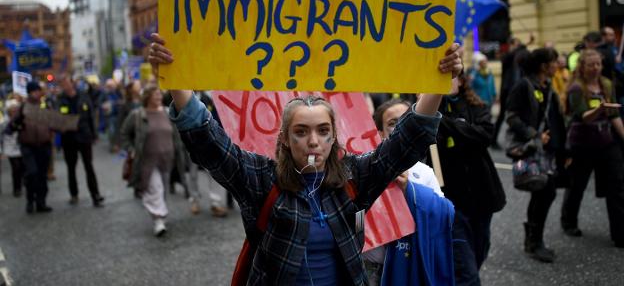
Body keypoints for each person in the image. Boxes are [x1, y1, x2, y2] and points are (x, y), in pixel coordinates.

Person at [148, 32, 463, 284]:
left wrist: (437, 84)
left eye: (323, 130)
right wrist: (175, 77)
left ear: (333, 136)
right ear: (284, 138)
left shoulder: (354, 177)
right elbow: (209, 142)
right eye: (301, 131)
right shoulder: (261, 179)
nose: (313, 141)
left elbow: (405, 142)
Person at [431, 73, 505, 284]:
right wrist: (459, 127)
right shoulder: (428, 110)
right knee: (467, 271)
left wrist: (445, 121)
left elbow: (483, 136)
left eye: (451, 77)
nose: (446, 82)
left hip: (481, 195)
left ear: (462, 81)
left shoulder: (476, 106)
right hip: (451, 201)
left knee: (480, 250)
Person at [363, 98, 444, 285]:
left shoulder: (424, 173)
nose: (401, 128)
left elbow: (442, 215)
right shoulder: (364, 169)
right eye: (393, 123)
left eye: (406, 120)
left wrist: (410, 191)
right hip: (367, 269)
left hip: (408, 265)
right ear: (380, 133)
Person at [505, 48, 567, 263]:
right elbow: (511, 117)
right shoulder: (524, 85)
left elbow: (554, 118)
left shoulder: (547, 85)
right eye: (554, 61)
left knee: (543, 193)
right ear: (543, 65)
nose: (558, 63)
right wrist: (535, 135)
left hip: (548, 150)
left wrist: (562, 148)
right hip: (533, 147)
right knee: (544, 191)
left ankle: (533, 240)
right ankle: (534, 241)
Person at [560, 49, 624, 248]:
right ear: (582, 67)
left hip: (606, 142)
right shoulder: (576, 88)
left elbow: (614, 116)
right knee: (577, 186)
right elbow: (582, 117)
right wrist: (599, 109)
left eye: (599, 64)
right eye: (591, 65)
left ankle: (620, 233)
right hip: (582, 144)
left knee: (617, 187)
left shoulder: (606, 84)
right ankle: (569, 221)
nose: (596, 68)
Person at [120, 83, 188, 236]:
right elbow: (124, 133)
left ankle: (160, 216)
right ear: (147, 97)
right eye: (156, 94)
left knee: (162, 188)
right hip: (147, 161)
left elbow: (176, 135)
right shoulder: (138, 115)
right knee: (154, 188)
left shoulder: (167, 112)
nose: (159, 96)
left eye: (159, 94)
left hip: (167, 159)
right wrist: (131, 150)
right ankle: (158, 221)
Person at [7, 82, 55, 213]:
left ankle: (41, 202)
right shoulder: (23, 107)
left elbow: (53, 123)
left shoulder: (45, 105)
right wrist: (18, 125)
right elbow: (11, 126)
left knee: (42, 175)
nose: (37, 93)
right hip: (28, 146)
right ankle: (30, 200)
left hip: (44, 145)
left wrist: (51, 133)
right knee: (32, 173)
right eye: (34, 91)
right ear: (29, 92)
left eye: (38, 91)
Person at [57, 74, 104, 207]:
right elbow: (57, 118)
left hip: (84, 136)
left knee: (89, 166)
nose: (65, 85)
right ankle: (74, 194)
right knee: (71, 168)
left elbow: (90, 116)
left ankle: (96, 195)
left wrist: (94, 134)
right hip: (69, 138)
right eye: (62, 84)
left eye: (66, 82)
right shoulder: (60, 99)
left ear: (72, 83)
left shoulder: (83, 96)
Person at [1, 99, 24, 197]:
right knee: (16, 168)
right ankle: (17, 189)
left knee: (22, 168)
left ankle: (22, 182)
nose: (14, 111)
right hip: (9, 148)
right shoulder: (4, 122)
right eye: (12, 109)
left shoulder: (21, 120)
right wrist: (1, 151)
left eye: (16, 109)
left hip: (21, 147)